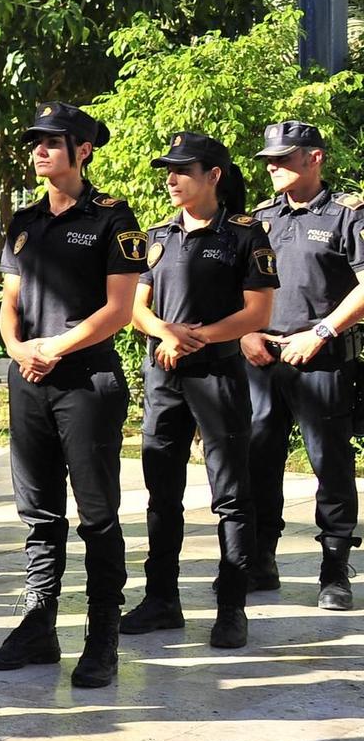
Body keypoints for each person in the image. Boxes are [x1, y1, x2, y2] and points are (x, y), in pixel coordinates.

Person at [0, 103, 143, 687]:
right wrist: (18, 348)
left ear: (83, 149)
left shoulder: (113, 218)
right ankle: (38, 624)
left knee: (97, 512)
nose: (40, 151)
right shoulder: (23, 221)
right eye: (35, 142)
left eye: (53, 142)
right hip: (28, 379)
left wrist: (54, 347)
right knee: (38, 510)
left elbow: (119, 309)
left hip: (86, 382)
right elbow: (9, 302)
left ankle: (102, 634)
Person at [125, 131, 275, 650]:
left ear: (213, 176)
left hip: (217, 375)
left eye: (183, 169)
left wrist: (194, 339)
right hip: (163, 375)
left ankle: (232, 606)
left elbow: (257, 313)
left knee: (231, 495)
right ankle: (161, 599)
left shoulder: (245, 234)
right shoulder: (156, 234)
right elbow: (136, 307)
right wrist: (165, 332)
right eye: (168, 169)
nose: (171, 178)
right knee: (161, 493)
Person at [245, 121, 364, 612]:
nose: (273, 167)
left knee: (329, 464)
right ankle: (260, 559)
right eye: (269, 160)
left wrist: (321, 333)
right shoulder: (259, 219)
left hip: (322, 360)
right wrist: (246, 332)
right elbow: (239, 285)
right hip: (261, 358)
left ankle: (334, 568)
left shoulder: (347, 216)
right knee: (258, 461)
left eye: (284, 158)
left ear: (314, 159)